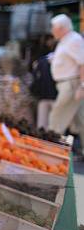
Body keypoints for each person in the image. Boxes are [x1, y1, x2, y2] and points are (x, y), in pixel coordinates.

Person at [47, 14, 84, 155]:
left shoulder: (73, 40)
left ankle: (50, 152)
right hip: (69, 84)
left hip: (72, 85)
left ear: (62, 28)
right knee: (81, 121)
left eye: (53, 28)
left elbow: (83, 63)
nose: (52, 31)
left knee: (56, 120)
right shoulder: (66, 40)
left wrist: (82, 86)